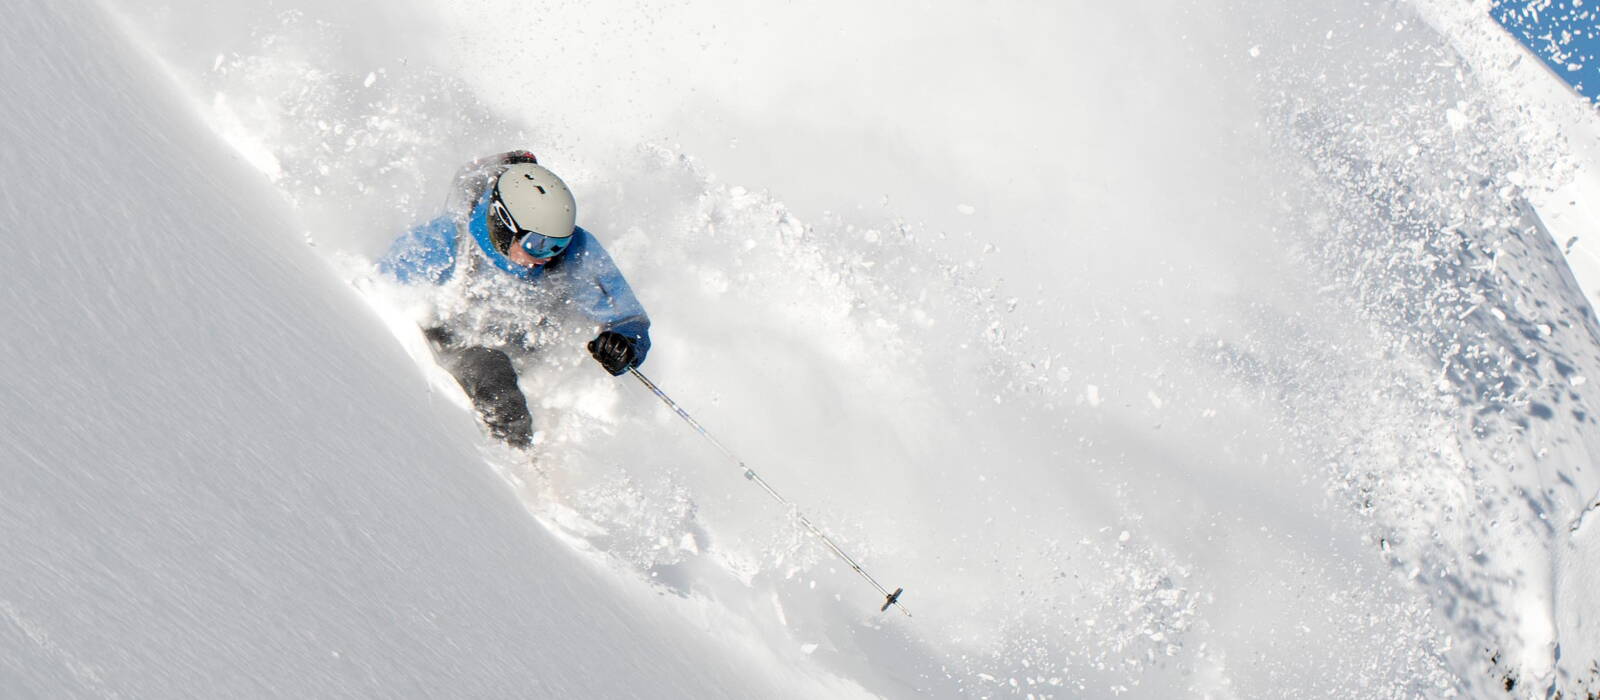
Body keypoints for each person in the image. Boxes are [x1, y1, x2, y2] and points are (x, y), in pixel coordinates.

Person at [377, 150, 650, 448]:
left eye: (558, 244)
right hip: (453, 347)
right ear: (503, 223)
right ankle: (514, 465)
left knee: (511, 378)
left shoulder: (574, 253)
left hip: (528, 360)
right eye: (538, 244)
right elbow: (381, 292)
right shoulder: (448, 239)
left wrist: (625, 344)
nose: (546, 256)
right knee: (493, 373)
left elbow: (627, 318)